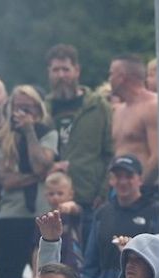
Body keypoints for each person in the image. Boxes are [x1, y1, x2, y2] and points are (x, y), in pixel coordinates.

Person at [0, 86, 58, 278]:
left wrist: (30, 132)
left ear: (38, 109)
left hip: (42, 215)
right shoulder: (0, 139)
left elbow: (40, 164)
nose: (22, 113)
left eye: (28, 108)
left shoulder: (47, 133)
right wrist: (39, 175)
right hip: (11, 217)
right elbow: (7, 180)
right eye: (18, 108)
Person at [46, 44, 114, 212]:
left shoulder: (98, 106)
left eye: (65, 69)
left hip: (89, 198)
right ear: (49, 72)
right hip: (50, 199)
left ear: (77, 70)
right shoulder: (43, 109)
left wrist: (103, 192)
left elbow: (111, 152)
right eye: (55, 70)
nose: (61, 75)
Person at [84, 154, 159, 278]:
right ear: (111, 181)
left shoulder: (155, 212)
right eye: (118, 176)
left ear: (140, 179)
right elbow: (91, 262)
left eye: (129, 176)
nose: (123, 181)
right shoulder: (102, 213)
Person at [109, 54, 159, 188]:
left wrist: (140, 186)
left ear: (122, 77)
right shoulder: (118, 111)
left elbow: (158, 155)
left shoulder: (152, 106)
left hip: (144, 189)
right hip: (120, 190)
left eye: (111, 74)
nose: (109, 80)